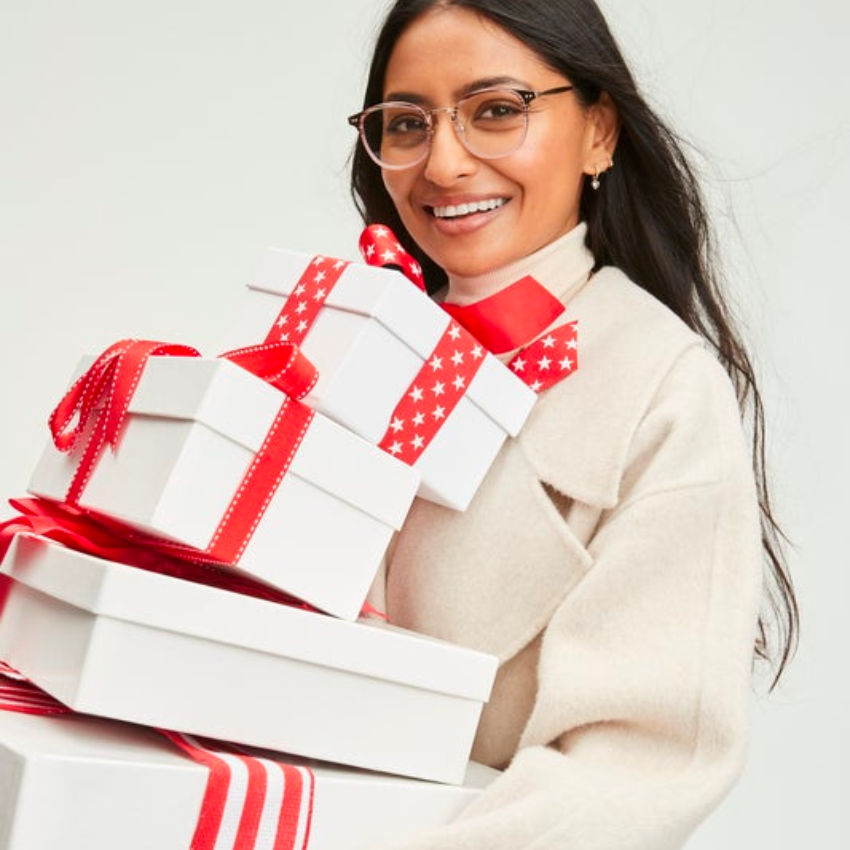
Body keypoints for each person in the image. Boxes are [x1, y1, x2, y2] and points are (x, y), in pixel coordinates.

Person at [347, 1, 798, 848]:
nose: (443, 162)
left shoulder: (662, 392)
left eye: (496, 111)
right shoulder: (351, 342)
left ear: (599, 132)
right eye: (407, 123)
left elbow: (635, 770)